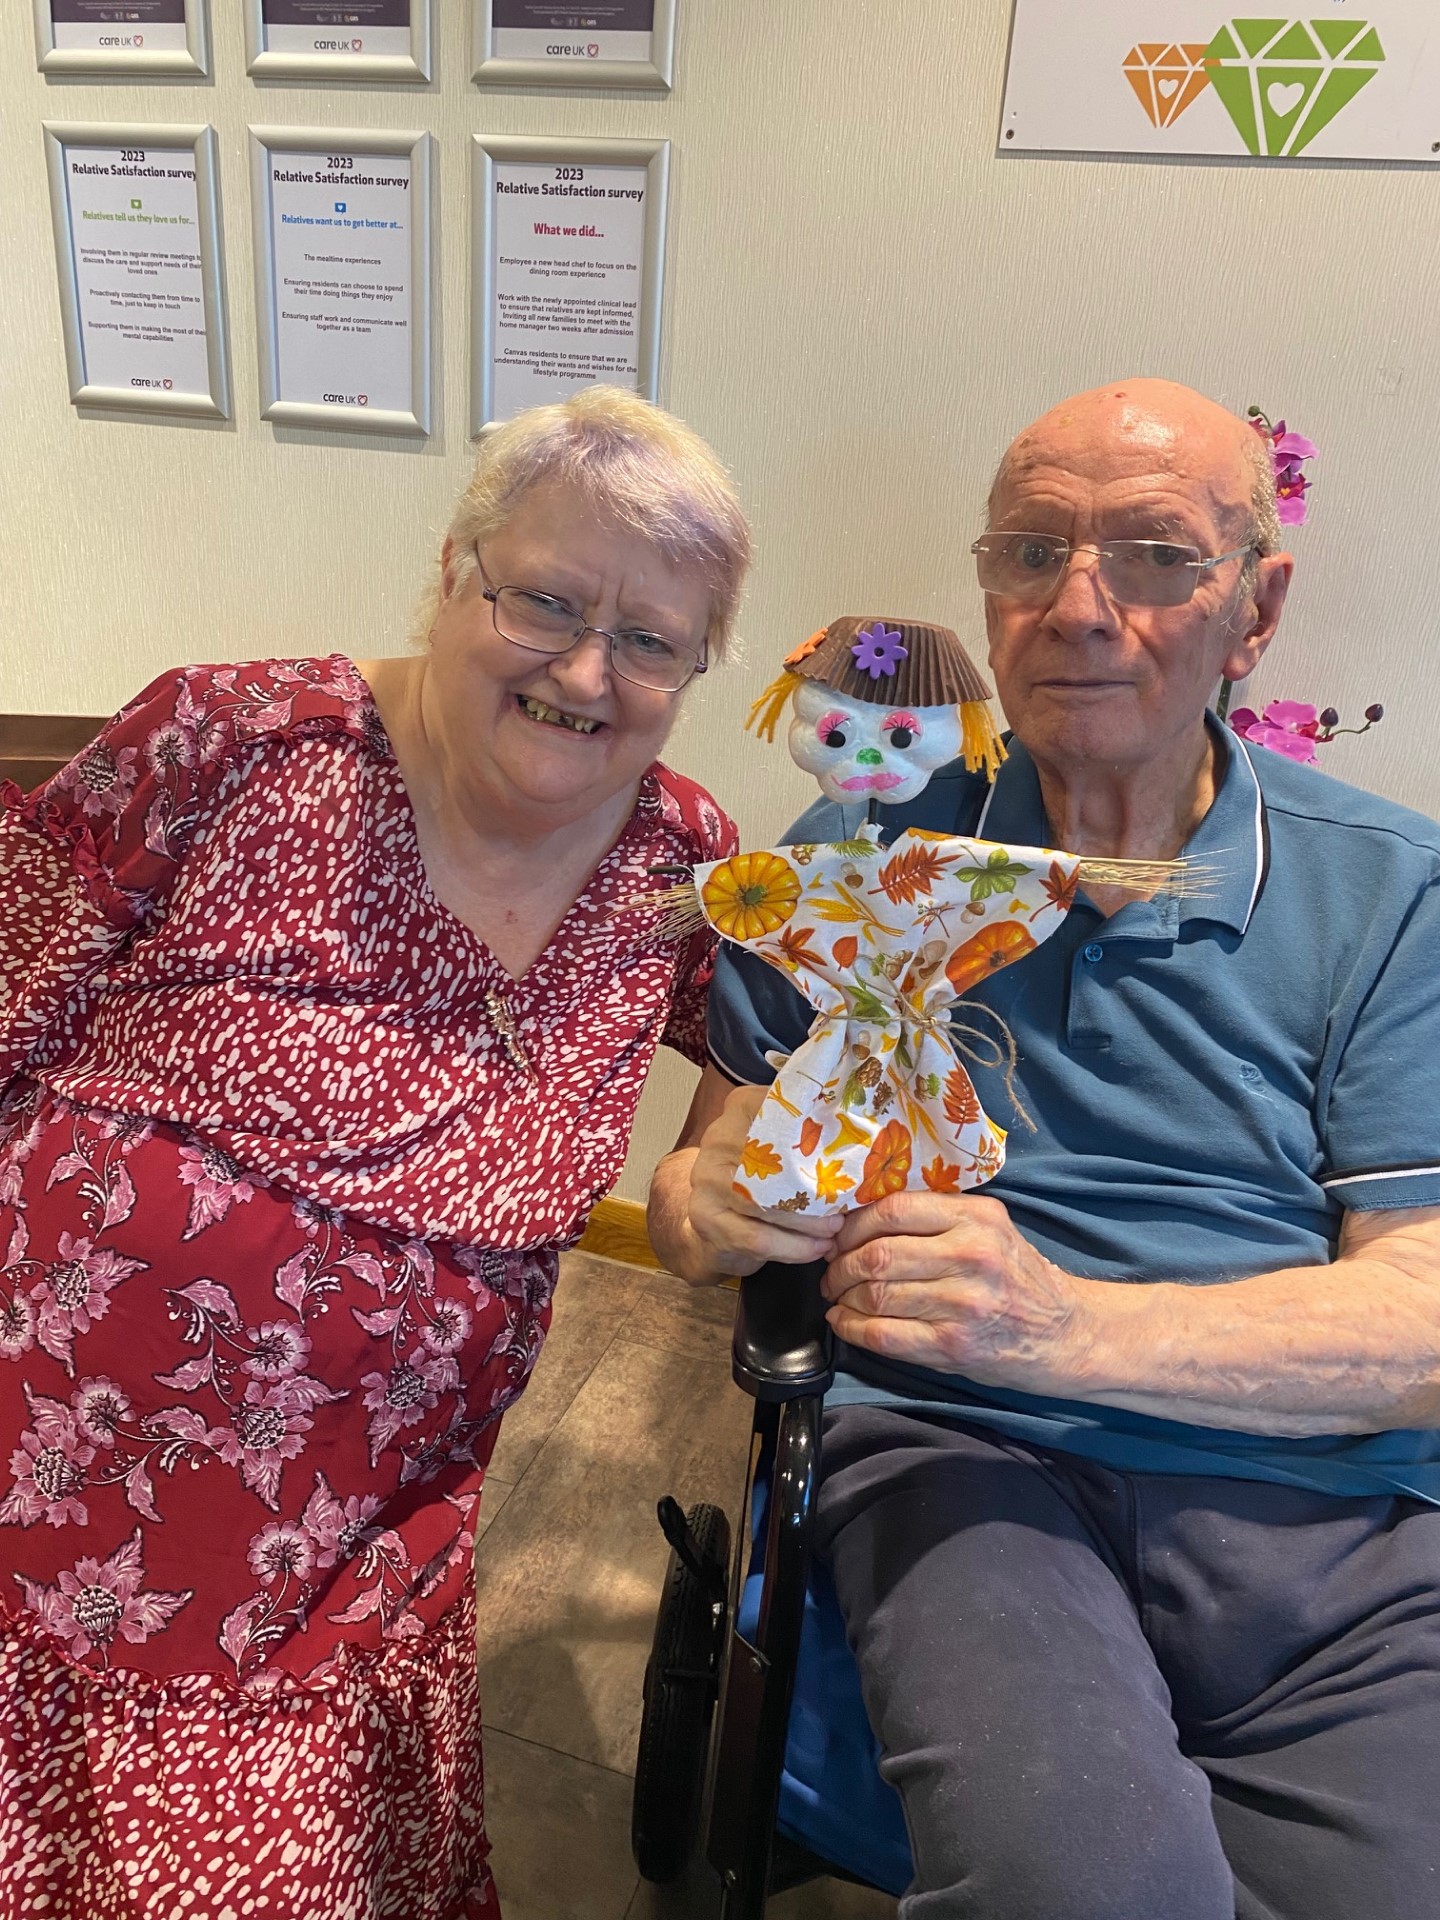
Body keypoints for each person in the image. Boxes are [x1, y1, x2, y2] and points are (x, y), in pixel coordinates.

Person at [649, 379, 1440, 1920]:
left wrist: (1068, 1326)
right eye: (1031, 553)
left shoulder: (1391, 896)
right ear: (988, 595)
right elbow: (687, 1206)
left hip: (1327, 1518)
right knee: (1085, 1885)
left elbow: (1423, 1325)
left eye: (1153, 555)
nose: (1080, 607)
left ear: (1255, 609)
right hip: (964, 1465)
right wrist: (729, 1200)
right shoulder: (868, 852)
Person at [0, 385, 749, 1919]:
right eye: (544, 599)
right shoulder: (232, 743)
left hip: (344, 1573)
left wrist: (714, 1178)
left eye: (653, 639)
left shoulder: (684, 866)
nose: (588, 671)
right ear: (456, 568)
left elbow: (764, 1056)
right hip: (36, 1524)